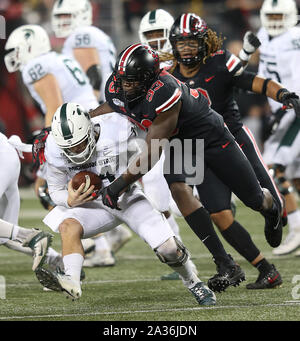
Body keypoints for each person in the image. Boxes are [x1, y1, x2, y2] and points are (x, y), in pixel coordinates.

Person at [88, 43, 284, 293]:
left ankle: (271, 208)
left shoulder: (164, 90)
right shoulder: (117, 84)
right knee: (180, 190)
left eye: (132, 81)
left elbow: (151, 152)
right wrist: (86, 117)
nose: (125, 85)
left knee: (254, 199)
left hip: (211, 138)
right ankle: (225, 262)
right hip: (182, 143)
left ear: (149, 79)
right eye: (122, 78)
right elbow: (114, 105)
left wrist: (116, 187)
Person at [159, 12, 293, 289]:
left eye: (191, 42)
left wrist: (284, 95)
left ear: (203, 42)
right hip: (198, 149)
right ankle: (265, 269)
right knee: (219, 213)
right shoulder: (169, 75)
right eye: (180, 43)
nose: (185, 48)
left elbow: (255, 81)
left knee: (264, 202)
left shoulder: (220, 62)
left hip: (232, 139)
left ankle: (271, 211)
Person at [34, 102, 216, 305]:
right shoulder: (53, 147)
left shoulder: (118, 128)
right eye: (69, 148)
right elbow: (56, 190)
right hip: (93, 206)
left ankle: (193, 282)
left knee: (169, 249)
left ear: (90, 128)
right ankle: (72, 281)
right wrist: (69, 200)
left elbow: (155, 137)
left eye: (80, 143)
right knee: (67, 225)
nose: (76, 151)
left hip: (126, 198)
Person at [4, 24, 128, 268]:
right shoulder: (57, 58)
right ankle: (103, 242)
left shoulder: (34, 66)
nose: (14, 56)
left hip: (75, 131)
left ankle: (95, 245)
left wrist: (48, 140)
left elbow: (55, 104)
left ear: (30, 47)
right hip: (88, 123)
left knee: (50, 187)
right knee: (85, 184)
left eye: (17, 49)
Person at [138, 9, 197, 280]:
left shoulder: (184, 60)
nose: (154, 41)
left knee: (184, 200)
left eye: (158, 35)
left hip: (188, 136)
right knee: (155, 197)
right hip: (157, 138)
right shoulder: (141, 63)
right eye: (149, 35)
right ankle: (178, 250)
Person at [257, 0, 300, 256]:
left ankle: (296, 228)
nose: (274, 20)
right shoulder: (266, 34)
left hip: (294, 110)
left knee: (273, 167)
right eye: (270, 15)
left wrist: (284, 111)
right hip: (281, 110)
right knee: (295, 176)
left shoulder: (294, 38)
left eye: (278, 15)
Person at [0, 132, 53, 271]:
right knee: (6, 235)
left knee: (10, 233)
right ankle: (58, 262)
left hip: (3, 158)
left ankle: (32, 236)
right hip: (6, 154)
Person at [52, 0, 117, 104]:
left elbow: (94, 77)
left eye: (67, 15)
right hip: (106, 101)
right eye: (59, 16)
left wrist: (88, 110)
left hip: (99, 103)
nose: (62, 20)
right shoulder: (90, 33)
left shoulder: (81, 34)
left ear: (82, 14)